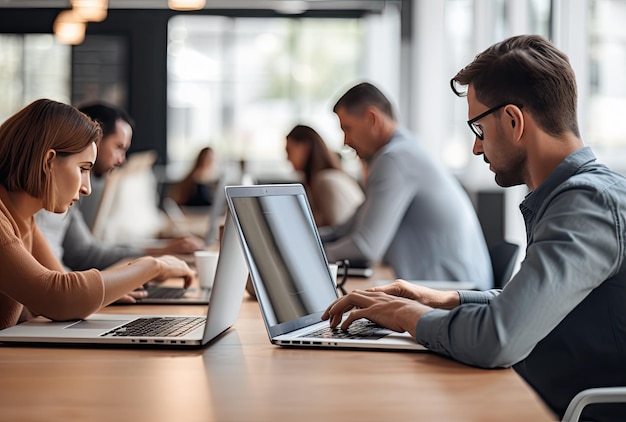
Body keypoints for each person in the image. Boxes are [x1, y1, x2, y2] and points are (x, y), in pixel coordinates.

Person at [322, 35, 626, 421]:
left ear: (514, 121)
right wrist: (440, 299)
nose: (476, 149)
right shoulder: (572, 197)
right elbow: (527, 307)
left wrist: (404, 316)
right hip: (531, 394)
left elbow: (499, 337)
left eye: (479, 130)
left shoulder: (586, 203)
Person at [0, 99, 194, 330]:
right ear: (49, 161)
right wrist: (153, 266)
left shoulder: (24, 219)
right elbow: (57, 297)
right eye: (83, 169)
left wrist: (101, 293)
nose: (87, 188)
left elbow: (62, 286)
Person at [318, 82, 493, 288]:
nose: (345, 141)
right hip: (457, 287)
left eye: (347, 128)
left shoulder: (394, 159)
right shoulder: (404, 151)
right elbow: (348, 229)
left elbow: (365, 247)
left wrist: (306, 255)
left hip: (458, 295)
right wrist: (308, 237)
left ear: (372, 118)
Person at [34, 102, 204, 273]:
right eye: (118, 147)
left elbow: (80, 255)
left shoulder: (66, 193)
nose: (121, 160)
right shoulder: (38, 198)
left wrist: (156, 256)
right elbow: (57, 283)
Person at [285, 124, 364, 226]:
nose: (287, 158)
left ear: (304, 147)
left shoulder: (325, 181)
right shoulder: (331, 176)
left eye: (289, 151)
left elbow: (337, 230)